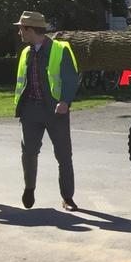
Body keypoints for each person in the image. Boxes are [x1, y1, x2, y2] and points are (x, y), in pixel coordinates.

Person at [13, 11, 80, 211]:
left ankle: (67, 198)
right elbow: (22, 82)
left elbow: (71, 78)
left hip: (55, 111)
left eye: (21, 29)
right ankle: (29, 188)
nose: (19, 33)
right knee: (29, 152)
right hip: (30, 111)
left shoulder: (60, 49)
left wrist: (65, 101)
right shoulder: (26, 52)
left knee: (64, 155)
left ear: (30, 29)